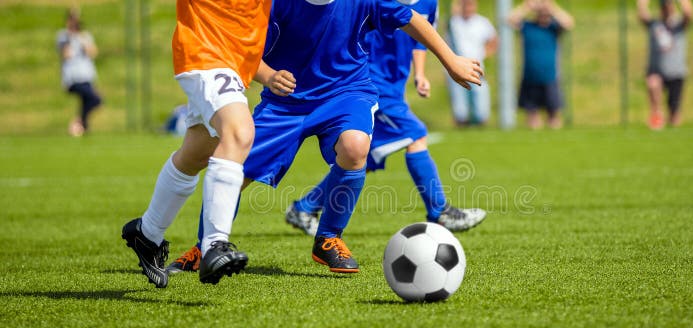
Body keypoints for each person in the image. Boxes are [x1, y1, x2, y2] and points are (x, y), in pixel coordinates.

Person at [165, 0, 484, 276]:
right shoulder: (274, 3)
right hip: (285, 102)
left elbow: (411, 19)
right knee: (235, 167)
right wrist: (268, 75)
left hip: (346, 92)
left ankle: (329, 238)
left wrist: (451, 59)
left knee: (356, 146)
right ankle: (205, 247)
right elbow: (241, 49)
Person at [120, 0, 272, 288]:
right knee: (239, 132)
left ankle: (146, 233)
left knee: (198, 151)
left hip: (233, 61)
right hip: (204, 52)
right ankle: (214, 245)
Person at [508, 0, 574, 130]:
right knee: (532, 116)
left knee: (553, 114)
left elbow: (569, 23)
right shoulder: (528, 26)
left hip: (550, 77)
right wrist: (527, 6)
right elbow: (510, 19)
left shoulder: (553, 28)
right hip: (529, 77)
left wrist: (552, 7)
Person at [638, 0, 693, 130]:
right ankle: (656, 115)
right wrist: (642, 4)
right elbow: (642, 16)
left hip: (676, 72)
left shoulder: (678, 25)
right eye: (664, 6)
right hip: (657, 71)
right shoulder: (655, 25)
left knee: (675, 116)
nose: (666, 9)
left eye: (669, 6)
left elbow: (689, 14)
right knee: (652, 82)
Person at [446, 0, 497, 127]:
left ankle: (479, 125)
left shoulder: (482, 22)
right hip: (457, 69)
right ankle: (461, 125)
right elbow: (450, 17)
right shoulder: (454, 22)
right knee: (460, 106)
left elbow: (494, 40)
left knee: (480, 103)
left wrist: (483, 55)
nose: (468, 7)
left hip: (476, 68)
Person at [57, 8, 102, 137]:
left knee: (88, 102)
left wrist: (81, 39)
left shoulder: (85, 36)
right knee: (95, 99)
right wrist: (71, 37)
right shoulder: (63, 36)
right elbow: (67, 55)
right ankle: (78, 122)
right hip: (72, 78)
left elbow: (92, 53)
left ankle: (83, 128)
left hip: (86, 76)